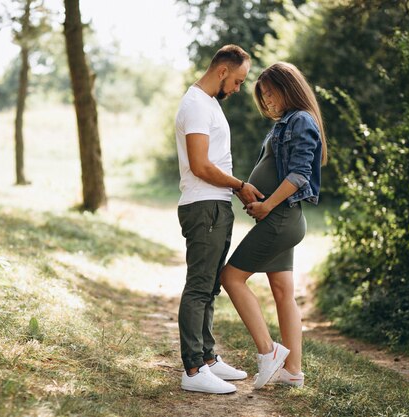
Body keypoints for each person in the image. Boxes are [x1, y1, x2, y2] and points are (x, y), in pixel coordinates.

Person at [220, 61, 327, 389]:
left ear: (288, 88)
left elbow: (299, 174)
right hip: (284, 218)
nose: (266, 101)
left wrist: (266, 204)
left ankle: (269, 353)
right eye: (262, 96)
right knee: (283, 292)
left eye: (270, 93)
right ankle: (292, 371)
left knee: (231, 277)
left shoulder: (300, 121)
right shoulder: (286, 122)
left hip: (280, 217)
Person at [175, 44, 264, 394]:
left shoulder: (209, 103)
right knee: (199, 286)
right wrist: (240, 186)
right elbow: (200, 165)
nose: (239, 89)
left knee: (210, 287)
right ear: (223, 71)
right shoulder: (196, 104)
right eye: (239, 81)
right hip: (204, 206)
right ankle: (193, 370)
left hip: (216, 204)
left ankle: (208, 359)